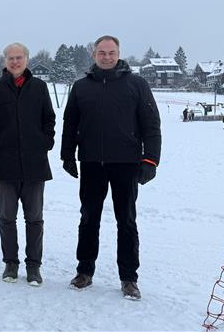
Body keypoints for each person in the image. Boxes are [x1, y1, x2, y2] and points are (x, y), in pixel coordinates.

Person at [61, 35, 161, 300]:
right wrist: (67, 155)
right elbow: (70, 123)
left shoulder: (137, 84)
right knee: (88, 219)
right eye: (102, 52)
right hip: (92, 162)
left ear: (119, 54)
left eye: (111, 52)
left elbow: (151, 125)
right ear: (94, 54)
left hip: (126, 163)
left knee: (126, 221)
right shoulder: (81, 87)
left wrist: (150, 160)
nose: (106, 57)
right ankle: (85, 271)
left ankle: (129, 278)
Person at [0, 43, 55, 286]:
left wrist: (45, 142)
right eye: (10, 58)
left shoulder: (39, 87)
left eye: (19, 57)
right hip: (5, 165)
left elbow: (49, 119)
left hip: (35, 165)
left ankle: (34, 266)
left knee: (34, 219)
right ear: (5, 60)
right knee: (7, 218)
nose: (15, 62)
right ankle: (10, 264)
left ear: (27, 59)